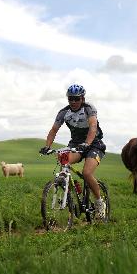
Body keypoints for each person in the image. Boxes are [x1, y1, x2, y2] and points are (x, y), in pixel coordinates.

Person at [39, 84, 107, 220]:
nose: (74, 102)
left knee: (87, 173)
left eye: (77, 99)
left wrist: (87, 144)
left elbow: (93, 127)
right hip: (76, 144)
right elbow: (53, 130)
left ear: (82, 98)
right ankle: (71, 194)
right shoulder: (64, 112)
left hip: (94, 144)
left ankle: (99, 203)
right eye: (71, 99)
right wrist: (47, 146)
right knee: (64, 163)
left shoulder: (89, 109)